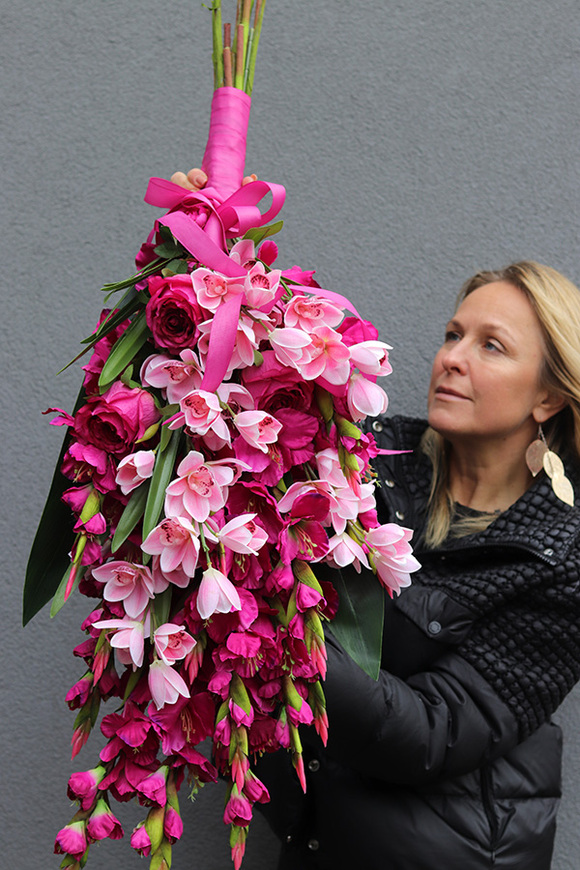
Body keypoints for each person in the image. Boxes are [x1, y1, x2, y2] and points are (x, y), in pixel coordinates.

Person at [173, 171, 580, 869]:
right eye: (453, 334)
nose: (450, 358)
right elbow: (234, 419)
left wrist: (274, 633)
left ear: (547, 398)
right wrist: (204, 250)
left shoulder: (563, 558)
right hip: (318, 843)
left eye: (491, 346)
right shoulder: (367, 454)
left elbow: (431, 734)